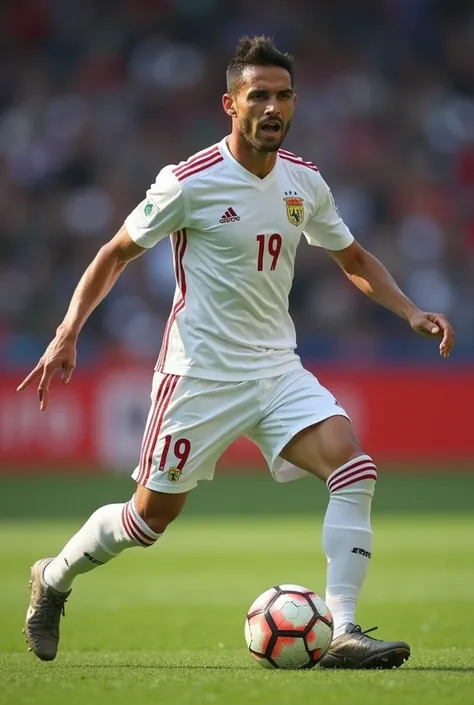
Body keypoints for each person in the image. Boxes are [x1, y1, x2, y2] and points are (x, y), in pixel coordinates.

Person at [19, 36, 454, 668]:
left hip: (277, 368)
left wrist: (410, 310)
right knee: (148, 520)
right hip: (199, 376)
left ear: (294, 103)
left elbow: (353, 258)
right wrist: (67, 331)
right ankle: (53, 577)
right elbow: (115, 252)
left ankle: (346, 630)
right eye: (259, 96)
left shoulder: (305, 182)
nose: (272, 107)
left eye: (282, 96)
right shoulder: (188, 182)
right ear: (231, 104)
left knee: (353, 467)